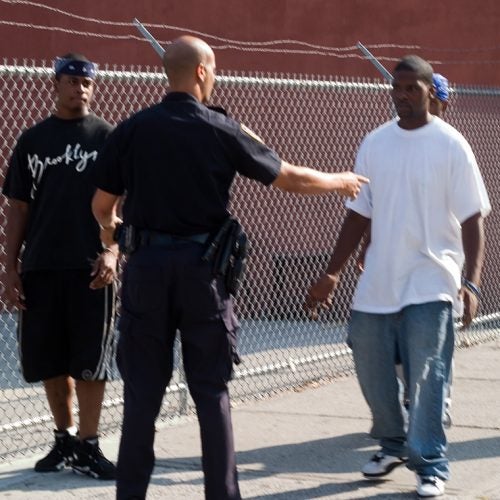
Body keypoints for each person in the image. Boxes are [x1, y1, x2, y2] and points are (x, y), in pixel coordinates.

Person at [91, 35, 368, 500]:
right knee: (211, 394)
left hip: (147, 272)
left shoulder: (131, 130)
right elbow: (287, 177)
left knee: (142, 398)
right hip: (203, 274)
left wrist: (114, 238)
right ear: (202, 71)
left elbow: (102, 206)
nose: (215, 78)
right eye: (214, 70)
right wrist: (339, 181)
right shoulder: (221, 129)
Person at [305, 56, 490, 498]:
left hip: (432, 280)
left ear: (431, 92)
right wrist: (332, 272)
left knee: (427, 375)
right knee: (372, 370)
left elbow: (472, 219)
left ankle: (430, 465)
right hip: (379, 285)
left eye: (412, 88)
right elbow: (358, 213)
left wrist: (471, 282)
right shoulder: (375, 142)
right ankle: (391, 444)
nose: (403, 96)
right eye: (397, 88)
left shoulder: (451, 145)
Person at [2, 53, 118, 480]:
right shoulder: (33, 140)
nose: (79, 88)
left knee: (91, 361)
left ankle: (89, 445)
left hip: (91, 268)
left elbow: (124, 204)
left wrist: (112, 252)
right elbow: (18, 207)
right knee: (51, 361)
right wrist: (10, 268)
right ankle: (65, 439)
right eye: (71, 81)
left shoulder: (108, 137)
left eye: (86, 82)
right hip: (41, 267)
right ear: (55, 85)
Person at [357, 72, 454, 428]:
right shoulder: (384, 142)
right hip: (392, 268)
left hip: (434, 267)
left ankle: (435, 405)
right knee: (391, 344)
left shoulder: (448, 145)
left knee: (433, 348)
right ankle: (408, 404)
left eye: (437, 101)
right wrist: (368, 244)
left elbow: (464, 215)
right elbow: (376, 204)